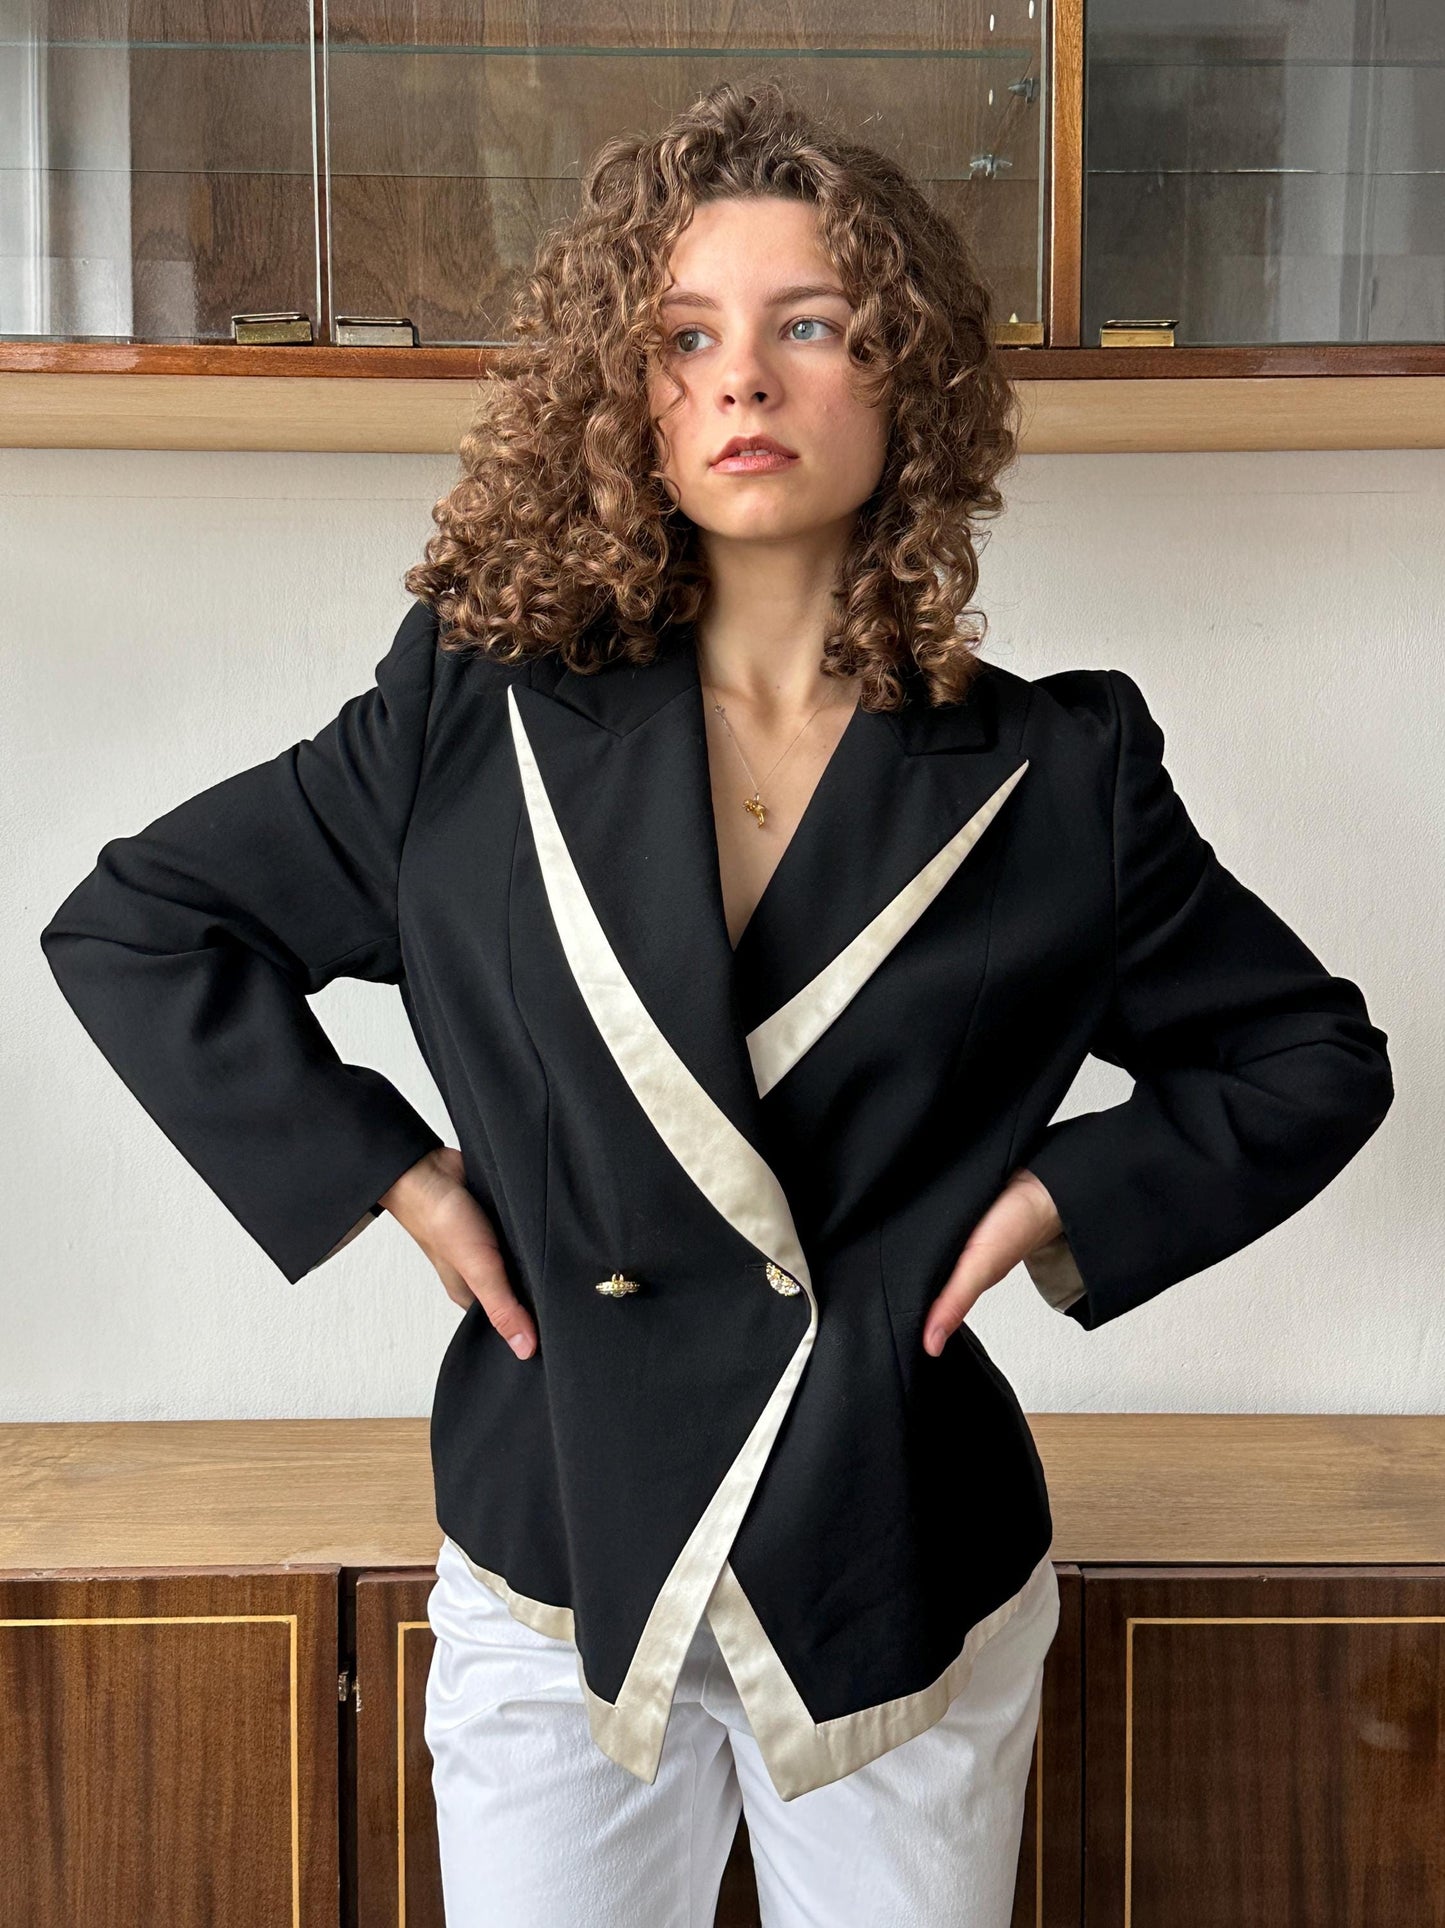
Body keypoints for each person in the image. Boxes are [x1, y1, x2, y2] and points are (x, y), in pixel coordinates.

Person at [39, 80, 1394, 1928]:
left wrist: (1054, 1203)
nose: (742, 378)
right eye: (685, 336)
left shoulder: (1055, 775)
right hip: (555, 1548)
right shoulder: (468, 719)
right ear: (627, 393)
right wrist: (396, 1180)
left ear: (904, 378)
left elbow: (1308, 1055)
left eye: (809, 325)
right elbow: (141, 926)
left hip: (895, 1554)